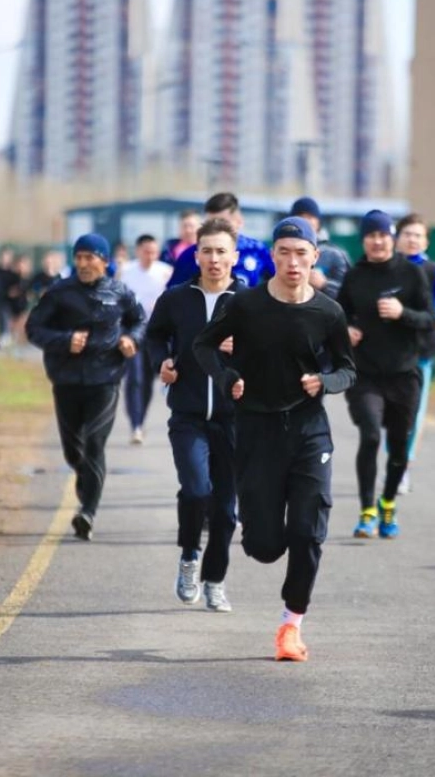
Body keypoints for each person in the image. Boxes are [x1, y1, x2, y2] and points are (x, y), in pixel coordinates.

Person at [193, 215, 356, 662]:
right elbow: (203, 346)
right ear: (272, 256)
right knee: (265, 547)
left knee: (308, 532)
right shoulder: (246, 306)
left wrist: (325, 381)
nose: (293, 262)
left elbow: (347, 368)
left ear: (314, 257)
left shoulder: (328, 311)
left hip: (308, 432)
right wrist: (227, 379)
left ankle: (291, 626)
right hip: (256, 431)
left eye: (301, 253)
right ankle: (258, 523)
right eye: (283, 252)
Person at [145, 218, 240, 611]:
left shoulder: (249, 303)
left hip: (235, 420)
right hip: (187, 414)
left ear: (234, 257)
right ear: (194, 255)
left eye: (222, 251)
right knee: (197, 489)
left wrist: (245, 352)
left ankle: (215, 579)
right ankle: (189, 556)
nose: (214, 259)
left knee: (226, 511)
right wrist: (161, 362)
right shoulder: (176, 299)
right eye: (207, 251)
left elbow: (273, 354)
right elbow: (153, 336)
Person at [27, 233, 146, 541]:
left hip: (105, 379)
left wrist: (132, 339)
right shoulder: (59, 293)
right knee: (73, 451)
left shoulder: (120, 293)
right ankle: (86, 488)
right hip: (66, 379)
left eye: (89, 257)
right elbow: (34, 328)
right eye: (78, 257)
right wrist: (65, 341)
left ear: (104, 261)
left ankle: (87, 512)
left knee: (94, 442)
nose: (83, 264)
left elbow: (140, 321)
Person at [336, 210, 435, 540]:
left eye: (383, 235)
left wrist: (401, 312)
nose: (377, 241)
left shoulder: (411, 273)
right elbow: (338, 315)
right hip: (365, 374)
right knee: (370, 436)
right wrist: (346, 330)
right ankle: (367, 511)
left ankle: (388, 503)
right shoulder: (355, 277)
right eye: (371, 235)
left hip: (404, 374)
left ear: (392, 237)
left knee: (397, 446)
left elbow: (428, 318)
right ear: (363, 240)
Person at [394, 213, 435, 494]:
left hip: (421, 352)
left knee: (414, 413)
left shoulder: (434, 271)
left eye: (418, 235)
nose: (412, 240)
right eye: (408, 234)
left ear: (426, 240)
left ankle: (403, 466)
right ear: (398, 237)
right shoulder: (384, 268)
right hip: (387, 353)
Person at [118, 234, 173, 444]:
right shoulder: (127, 272)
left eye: (153, 252)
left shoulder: (165, 272)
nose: (150, 256)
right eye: (146, 251)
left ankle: (141, 418)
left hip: (155, 332)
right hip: (132, 330)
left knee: (148, 381)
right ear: (138, 250)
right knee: (135, 378)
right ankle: (136, 425)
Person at [167, 192, 274, 288]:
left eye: (222, 222)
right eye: (211, 223)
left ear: (239, 221)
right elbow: (173, 294)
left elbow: (278, 282)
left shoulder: (256, 249)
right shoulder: (190, 255)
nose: (216, 228)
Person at [290, 196, 351, 300]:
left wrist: (325, 285)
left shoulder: (335, 254)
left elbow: (350, 296)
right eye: (300, 216)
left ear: (318, 221)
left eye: (310, 217)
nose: (305, 222)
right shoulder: (281, 252)